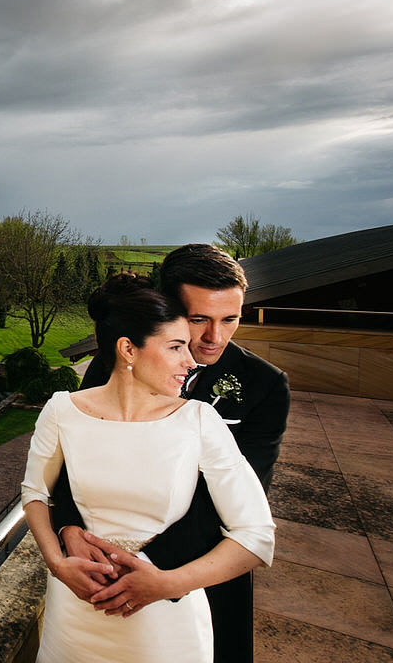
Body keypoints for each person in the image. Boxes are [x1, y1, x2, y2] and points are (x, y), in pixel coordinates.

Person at [50, 244, 290, 663]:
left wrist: (146, 568)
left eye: (230, 319)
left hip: (200, 579)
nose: (215, 337)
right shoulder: (112, 365)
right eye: (199, 320)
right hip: (97, 578)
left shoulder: (264, 385)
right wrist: (69, 528)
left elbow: (230, 504)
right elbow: (71, 461)